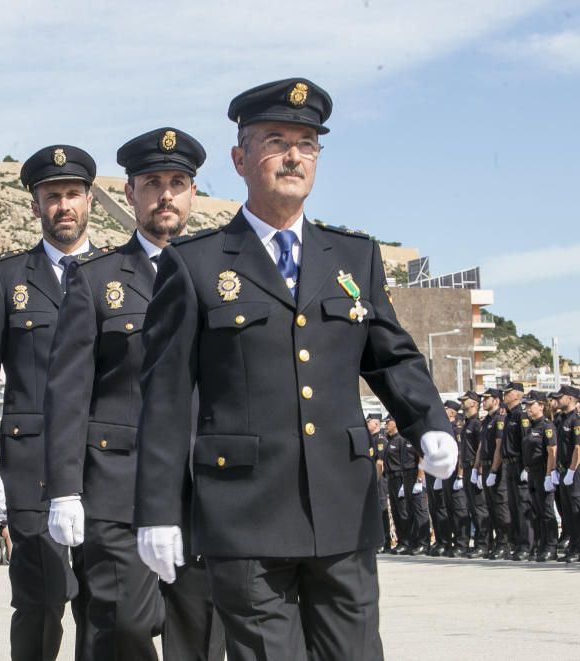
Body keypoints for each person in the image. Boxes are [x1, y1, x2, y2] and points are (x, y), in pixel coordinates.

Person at [132, 80, 456, 660]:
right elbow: (166, 396)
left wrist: (428, 418)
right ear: (239, 158)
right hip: (244, 514)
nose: (293, 156)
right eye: (276, 141)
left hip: (341, 506)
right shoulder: (194, 263)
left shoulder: (353, 257)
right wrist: (158, 510)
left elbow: (389, 353)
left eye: (307, 144)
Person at [44, 127, 222, 661]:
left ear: (192, 193)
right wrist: (64, 489)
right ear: (130, 194)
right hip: (118, 486)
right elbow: (68, 392)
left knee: (201, 636)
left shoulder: (221, 272)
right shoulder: (95, 280)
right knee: (121, 627)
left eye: (177, 182)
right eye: (152, 183)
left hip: (200, 489)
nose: (165, 194)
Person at [0, 145, 97, 660]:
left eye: (72, 194)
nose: (63, 205)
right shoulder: (7, 278)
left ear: (88, 201)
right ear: (35, 205)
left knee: (102, 599)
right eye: (51, 196)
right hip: (30, 467)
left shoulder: (114, 274)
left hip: (99, 457)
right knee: (39, 602)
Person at [383, 417, 429, 555]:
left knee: (419, 511)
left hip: (414, 475)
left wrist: (420, 479)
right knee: (408, 511)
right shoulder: (403, 439)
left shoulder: (414, 438)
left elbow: (421, 457)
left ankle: (423, 543)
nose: (386, 424)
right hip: (405, 476)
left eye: (388, 422)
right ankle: (412, 541)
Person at [521, 391, 558, 561]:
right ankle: (541, 545)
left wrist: (549, 475)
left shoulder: (547, 426)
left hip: (544, 472)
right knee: (536, 511)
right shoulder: (530, 426)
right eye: (526, 405)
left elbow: (552, 452)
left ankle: (551, 547)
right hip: (533, 473)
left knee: (547, 512)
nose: (527, 408)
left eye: (531, 405)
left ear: (541, 406)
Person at [474, 388, 511, 559]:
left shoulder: (500, 419)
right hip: (486, 466)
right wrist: (477, 468)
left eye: (486, 398)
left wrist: (494, 471)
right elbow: (481, 446)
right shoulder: (486, 420)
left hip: (496, 468)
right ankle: (498, 543)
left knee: (500, 506)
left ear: (496, 400)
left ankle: (505, 543)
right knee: (491, 507)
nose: (483, 401)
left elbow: (499, 446)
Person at [500, 383, 534, 561]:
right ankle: (517, 543)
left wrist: (526, 467)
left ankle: (526, 545)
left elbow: (526, 443)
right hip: (509, 465)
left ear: (516, 396)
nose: (504, 396)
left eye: (507, 393)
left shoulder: (522, 416)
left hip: (519, 465)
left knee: (522, 507)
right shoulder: (508, 417)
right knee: (513, 506)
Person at [432, 401, 470, 557]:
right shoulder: (444, 430)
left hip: (455, 474)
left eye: (445, 410)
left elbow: (460, 453)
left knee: (459, 509)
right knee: (449, 509)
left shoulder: (457, 430)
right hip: (446, 474)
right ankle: (454, 542)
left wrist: (460, 475)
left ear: (453, 413)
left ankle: (463, 543)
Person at [459, 391, 491, 558]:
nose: (462, 403)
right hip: (467, 469)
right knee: (472, 508)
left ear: (474, 403)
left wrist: (478, 471)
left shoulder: (477, 424)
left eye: (465, 400)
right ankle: (479, 542)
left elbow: (481, 448)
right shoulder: (467, 424)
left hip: (474, 468)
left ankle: (483, 544)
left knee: (480, 509)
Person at [559, 385, 580, 563]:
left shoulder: (576, 420)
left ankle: (578, 548)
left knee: (575, 512)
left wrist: (572, 471)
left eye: (562, 397)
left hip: (574, 471)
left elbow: (578, 448)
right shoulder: (563, 419)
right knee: (567, 512)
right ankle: (573, 546)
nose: (559, 400)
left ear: (571, 399)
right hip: (564, 469)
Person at [366, 414, 391, 552]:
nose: (367, 424)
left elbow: (379, 463)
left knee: (382, 509)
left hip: (379, 479)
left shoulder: (380, 440)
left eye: (369, 422)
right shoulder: (371, 439)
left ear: (375, 424)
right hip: (373, 478)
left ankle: (385, 541)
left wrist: (375, 481)